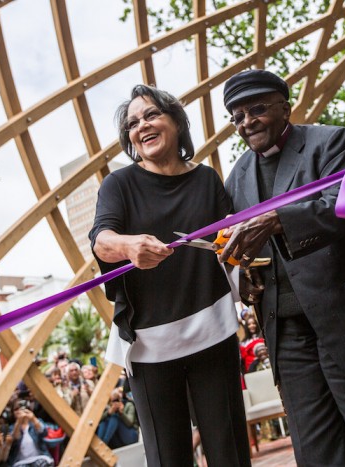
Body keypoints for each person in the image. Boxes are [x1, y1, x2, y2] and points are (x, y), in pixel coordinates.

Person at [219, 69, 345, 466]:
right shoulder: (237, 175)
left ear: (285, 107)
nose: (247, 123)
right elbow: (241, 247)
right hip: (286, 333)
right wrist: (244, 278)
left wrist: (279, 219)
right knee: (316, 451)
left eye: (256, 109)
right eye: (237, 117)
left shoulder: (330, 141)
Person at [89, 85, 250, 466]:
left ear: (176, 120)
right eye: (132, 123)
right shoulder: (119, 184)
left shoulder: (207, 180)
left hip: (213, 333)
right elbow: (101, 239)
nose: (141, 126)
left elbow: (232, 243)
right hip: (149, 348)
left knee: (230, 451)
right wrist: (128, 247)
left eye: (150, 115)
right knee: (168, 457)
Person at [7, 399, 53, 467]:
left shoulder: (35, 422)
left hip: (39, 457)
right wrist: (19, 421)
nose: (19, 411)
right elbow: (15, 438)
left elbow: (44, 432)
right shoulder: (11, 427)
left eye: (22, 408)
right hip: (21, 462)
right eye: (16, 409)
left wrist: (33, 418)